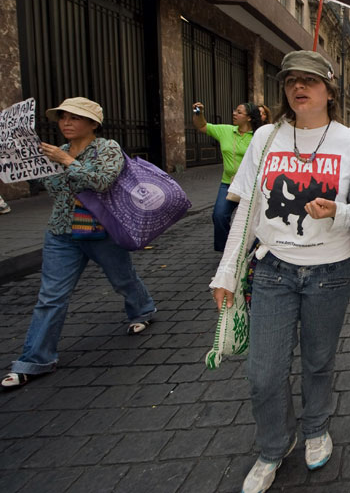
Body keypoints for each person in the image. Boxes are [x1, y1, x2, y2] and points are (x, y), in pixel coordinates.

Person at [209, 51, 350, 493]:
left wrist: (339, 212)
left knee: (318, 362)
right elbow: (247, 210)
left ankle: (316, 427)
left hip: (331, 273)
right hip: (272, 270)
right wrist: (226, 272)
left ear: (329, 90)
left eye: (309, 80)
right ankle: (274, 445)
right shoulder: (266, 137)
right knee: (263, 372)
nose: (298, 87)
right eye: (290, 81)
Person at [2, 97, 156, 390]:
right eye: (62, 117)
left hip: (101, 230)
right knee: (51, 297)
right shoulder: (56, 151)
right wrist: (33, 165)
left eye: (74, 118)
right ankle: (35, 360)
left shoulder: (107, 148)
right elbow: (54, 189)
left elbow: (102, 182)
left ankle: (143, 309)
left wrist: (67, 162)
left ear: (93, 124)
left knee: (123, 279)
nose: (66, 123)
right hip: (61, 232)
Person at [192, 101, 263, 252]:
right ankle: (226, 251)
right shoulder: (226, 130)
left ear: (249, 117)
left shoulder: (259, 136)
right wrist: (199, 113)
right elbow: (202, 126)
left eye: (239, 112)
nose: (234, 114)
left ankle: (254, 251)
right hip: (228, 184)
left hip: (251, 185)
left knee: (254, 221)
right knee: (219, 216)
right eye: (235, 110)